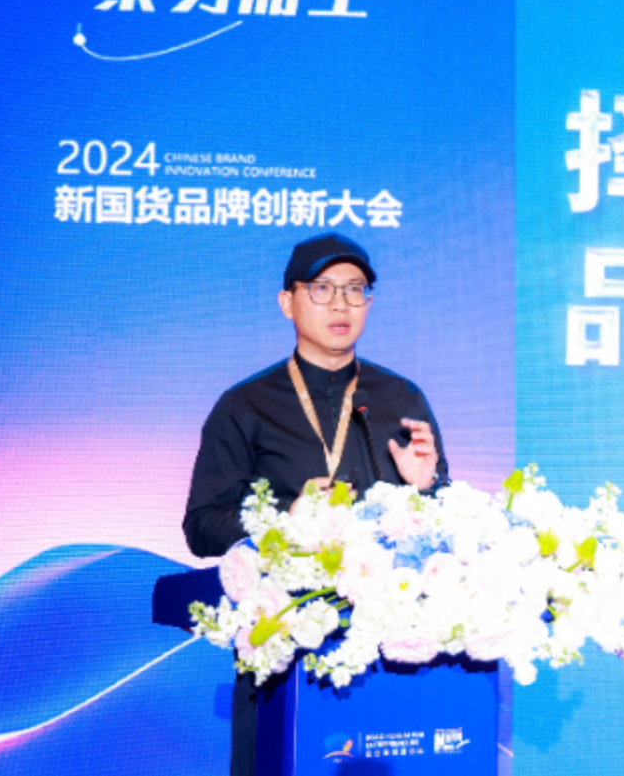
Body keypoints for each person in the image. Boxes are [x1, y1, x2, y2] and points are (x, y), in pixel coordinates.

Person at [183, 232, 449, 776]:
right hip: (287, 652)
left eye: (355, 290)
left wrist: (427, 489)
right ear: (288, 302)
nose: (341, 304)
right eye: (323, 289)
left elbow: (444, 531)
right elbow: (201, 526)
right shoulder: (245, 405)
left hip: (392, 653)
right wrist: (285, 523)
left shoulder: (402, 399)